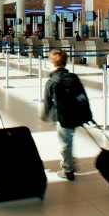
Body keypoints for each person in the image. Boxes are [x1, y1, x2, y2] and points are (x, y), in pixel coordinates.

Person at [43, 49, 91, 181]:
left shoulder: (51, 82)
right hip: (74, 115)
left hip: (61, 118)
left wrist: (46, 116)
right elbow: (81, 95)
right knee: (69, 138)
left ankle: (68, 169)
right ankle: (69, 159)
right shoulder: (73, 78)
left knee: (64, 143)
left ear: (52, 64)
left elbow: (47, 102)